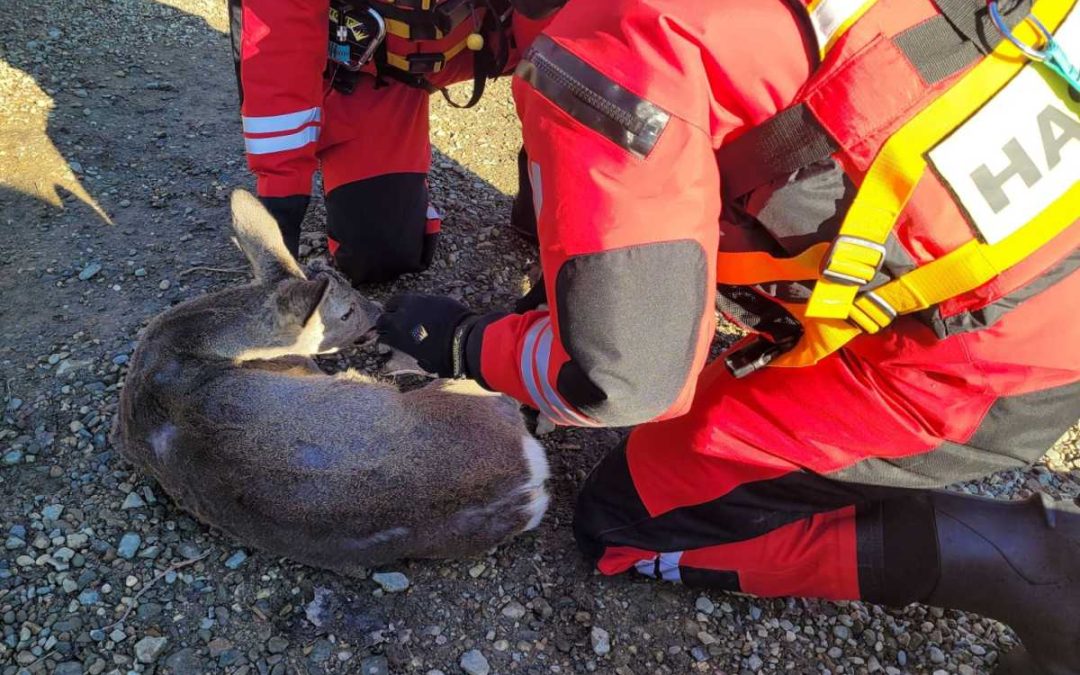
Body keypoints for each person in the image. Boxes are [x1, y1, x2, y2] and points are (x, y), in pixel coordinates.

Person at [376, 0, 1080, 671]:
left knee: (626, 524)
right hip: (1015, 241)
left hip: (990, 361)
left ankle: (1024, 565)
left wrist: (471, 344)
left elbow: (620, 379)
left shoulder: (621, 48)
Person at [228, 0, 551, 283]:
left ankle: (544, 200)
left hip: (504, 35)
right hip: (377, 68)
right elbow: (280, 42)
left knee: (569, 58)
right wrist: (281, 198)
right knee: (377, 252)